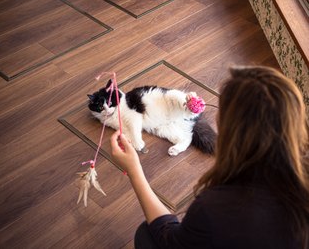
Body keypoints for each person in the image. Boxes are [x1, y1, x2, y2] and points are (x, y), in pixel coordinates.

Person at [110, 66, 309, 249]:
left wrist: (135, 171)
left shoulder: (214, 207)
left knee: (146, 235)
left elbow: (169, 240)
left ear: (231, 132)